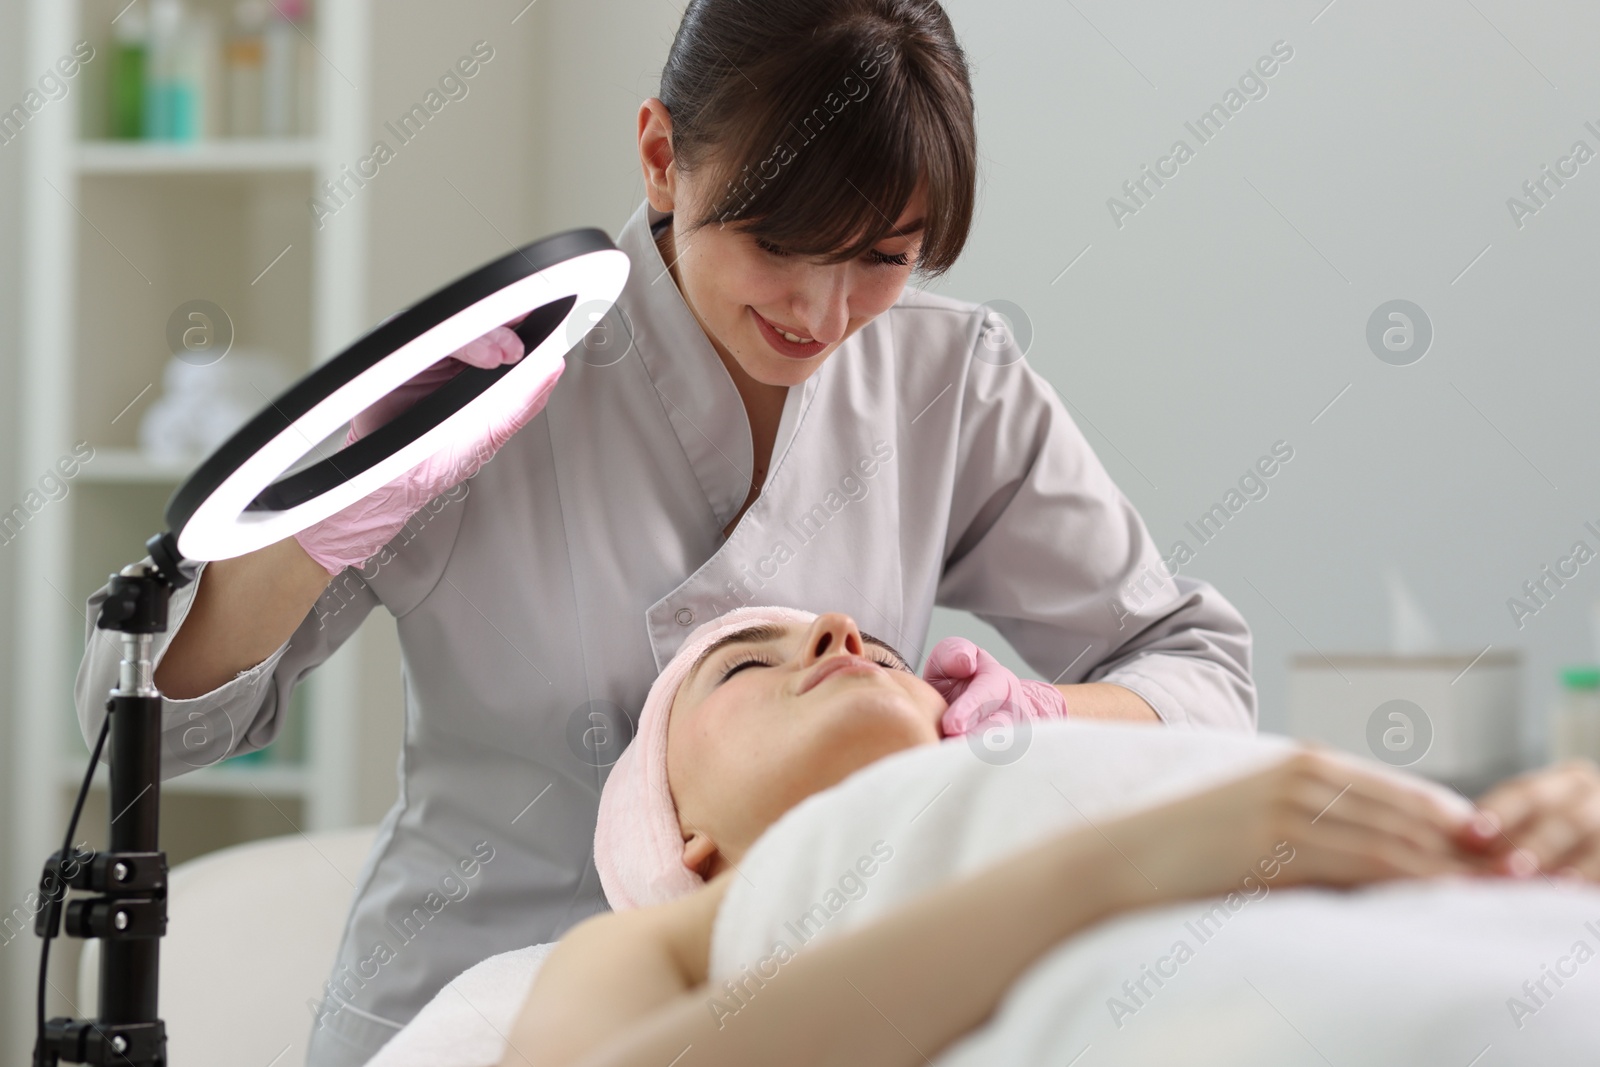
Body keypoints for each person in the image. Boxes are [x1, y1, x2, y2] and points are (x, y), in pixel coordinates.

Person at [76, 3, 1256, 1063]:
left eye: (882, 259)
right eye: (779, 243)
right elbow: (145, 726)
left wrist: (1018, 720)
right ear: (660, 157)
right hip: (460, 1017)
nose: (821, 310)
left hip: (789, 1019)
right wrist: (325, 523)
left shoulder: (949, 382)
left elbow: (1198, 670)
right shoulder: (490, 367)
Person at [498, 607, 1600, 1067]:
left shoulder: (1061, 766)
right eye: (743, 664)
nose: (843, 631)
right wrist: (1123, 865)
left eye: (884, 647)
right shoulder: (675, 929)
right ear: (684, 838)